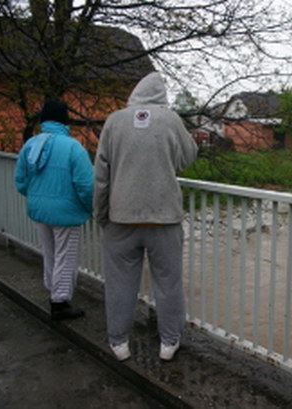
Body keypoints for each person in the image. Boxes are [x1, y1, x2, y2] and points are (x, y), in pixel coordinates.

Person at [94, 72, 198, 361]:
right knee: (168, 283)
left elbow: (101, 175)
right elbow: (189, 155)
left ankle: (119, 342)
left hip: (121, 219)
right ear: (162, 96)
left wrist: (102, 214)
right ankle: (169, 342)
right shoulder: (171, 119)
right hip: (164, 219)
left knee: (119, 284)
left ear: (135, 94)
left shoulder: (114, 121)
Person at [15, 100, 93, 320]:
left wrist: (36, 198)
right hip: (67, 213)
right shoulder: (73, 148)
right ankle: (60, 303)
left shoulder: (31, 145)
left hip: (40, 211)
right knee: (65, 257)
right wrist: (90, 208)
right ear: (64, 120)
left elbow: (20, 181)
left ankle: (53, 290)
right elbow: (86, 186)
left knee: (49, 253)